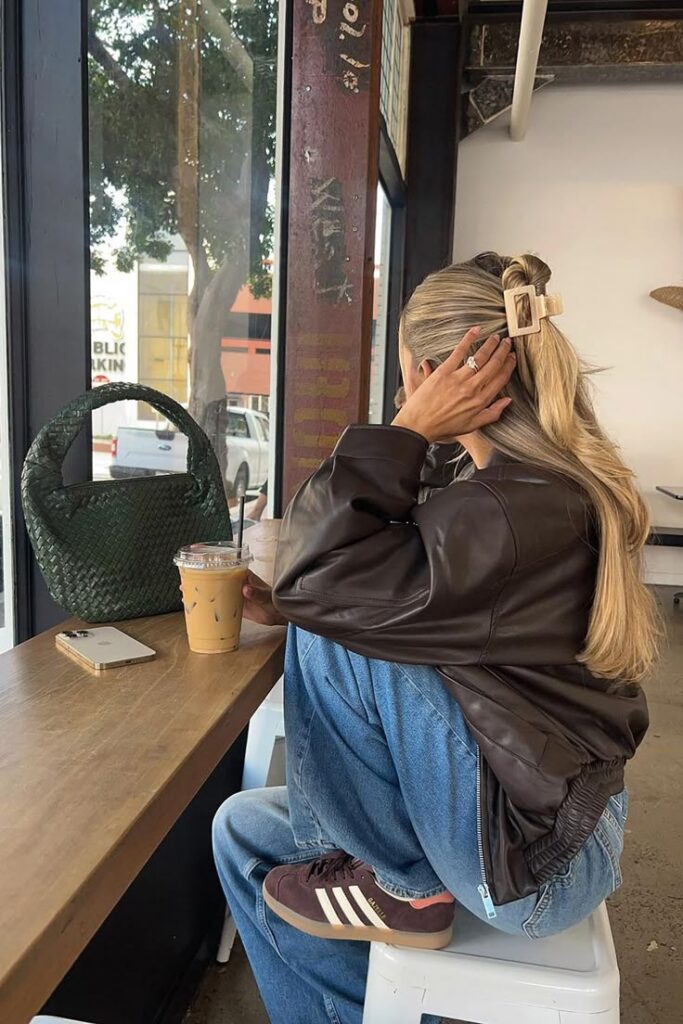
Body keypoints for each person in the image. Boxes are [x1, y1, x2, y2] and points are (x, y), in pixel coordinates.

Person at [212, 252, 658, 1024]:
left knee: (336, 622)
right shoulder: (523, 496)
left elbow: (327, 587)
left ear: (435, 375)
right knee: (240, 831)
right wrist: (292, 606)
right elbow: (370, 592)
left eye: (408, 380)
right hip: (542, 818)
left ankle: (409, 890)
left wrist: (404, 433)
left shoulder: (512, 510)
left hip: (532, 858)